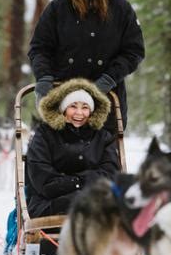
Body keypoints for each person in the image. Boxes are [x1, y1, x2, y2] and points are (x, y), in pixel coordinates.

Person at [28, 0, 145, 131]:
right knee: (58, 153)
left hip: (106, 98)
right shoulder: (58, 8)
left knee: (104, 155)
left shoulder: (121, 9)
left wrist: (108, 79)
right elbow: (39, 48)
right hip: (62, 96)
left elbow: (134, 51)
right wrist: (44, 77)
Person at [25, 78, 120, 218]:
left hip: (96, 199)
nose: (79, 113)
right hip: (50, 202)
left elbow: (110, 174)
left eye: (85, 107)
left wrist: (79, 183)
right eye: (73, 106)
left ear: (92, 112)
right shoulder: (45, 134)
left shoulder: (102, 137)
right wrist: (77, 184)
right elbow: (42, 177)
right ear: (63, 109)